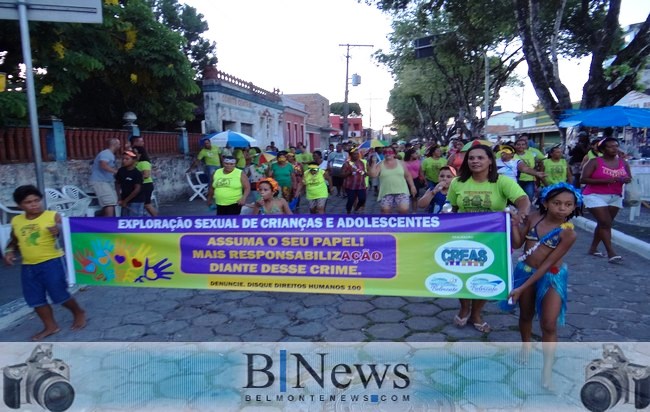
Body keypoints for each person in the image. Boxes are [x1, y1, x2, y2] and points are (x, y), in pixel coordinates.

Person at [446, 144, 530, 334]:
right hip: (463, 237)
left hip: (493, 240)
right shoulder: (457, 182)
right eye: (471, 158)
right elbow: (453, 208)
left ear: (490, 161)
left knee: (484, 277)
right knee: (460, 274)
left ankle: (476, 313)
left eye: (480, 158)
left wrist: (522, 213)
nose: (475, 161)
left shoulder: (502, 182)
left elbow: (523, 199)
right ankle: (464, 307)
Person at [506, 182, 581, 388]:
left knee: (549, 324)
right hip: (525, 272)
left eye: (568, 205)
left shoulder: (568, 233)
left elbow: (547, 264)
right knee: (525, 315)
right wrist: (514, 224)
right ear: (546, 203)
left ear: (575, 207)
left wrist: (520, 288)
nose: (562, 208)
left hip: (551, 276)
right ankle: (526, 346)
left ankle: (547, 369)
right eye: (557, 203)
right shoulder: (533, 218)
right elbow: (518, 243)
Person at [3, 185, 86, 341]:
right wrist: (9, 251)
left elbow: (69, 233)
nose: (34, 204)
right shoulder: (16, 220)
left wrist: (59, 230)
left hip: (52, 262)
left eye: (36, 200)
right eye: (28, 202)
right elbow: (14, 240)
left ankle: (78, 312)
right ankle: (51, 326)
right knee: (35, 299)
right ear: (20, 205)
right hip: (28, 266)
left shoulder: (52, 216)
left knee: (59, 294)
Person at [581, 137, 632, 263]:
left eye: (616, 146)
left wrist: (626, 179)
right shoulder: (594, 162)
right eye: (610, 146)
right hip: (594, 195)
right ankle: (611, 253)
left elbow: (629, 176)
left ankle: (593, 248)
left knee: (604, 223)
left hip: (615, 196)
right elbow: (583, 179)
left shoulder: (623, 162)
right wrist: (604, 181)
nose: (614, 149)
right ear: (603, 149)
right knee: (605, 223)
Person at [367, 147, 417, 214]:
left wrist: (412, 186)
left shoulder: (401, 163)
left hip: (401, 191)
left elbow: (408, 175)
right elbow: (373, 175)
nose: (388, 154)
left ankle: (400, 223)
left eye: (390, 152)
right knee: (386, 211)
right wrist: (373, 162)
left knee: (404, 209)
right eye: (385, 152)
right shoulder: (380, 164)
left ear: (394, 154)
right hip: (386, 192)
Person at [89, 137, 121, 217]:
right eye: (119, 144)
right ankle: (108, 225)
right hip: (100, 181)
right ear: (115, 144)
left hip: (105, 182)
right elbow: (103, 165)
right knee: (109, 203)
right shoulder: (106, 153)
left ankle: (105, 222)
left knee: (112, 202)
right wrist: (116, 172)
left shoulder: (109, 154)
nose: (120, 146)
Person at [115, 150, 145, 217]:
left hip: (136, 201)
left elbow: (137, 189)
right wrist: (119, 197)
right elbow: (117, 184)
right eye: (123, 159)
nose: (124, 161)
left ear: (134, 160)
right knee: (124, 221)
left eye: (127, 159)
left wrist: (125, 201)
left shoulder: (137, 173)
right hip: (124, 199)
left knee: (135, 222)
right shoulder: (121, 171)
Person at [514, 138, 545, 202]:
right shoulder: (512, 155)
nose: (521, 146)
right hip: (516, 180)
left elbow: (535, 165)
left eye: (523, 144)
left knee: (529, 197)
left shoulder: (531, 154)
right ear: (515, 146)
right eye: (518, 144)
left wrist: (537, 178)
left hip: (529, 180)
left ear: (526, 146)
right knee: (516, 198)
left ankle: (526, 211)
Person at [132, 146, 157, 216]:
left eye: (135, 152)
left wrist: (135, 180)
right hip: (139, 185)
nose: (134, 154)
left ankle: (158, 220)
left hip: (146, 185)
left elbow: (146, 175)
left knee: (147, 205)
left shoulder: (144, 163)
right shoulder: (136, 162)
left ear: (140, 153)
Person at [341, 147, 368, 214]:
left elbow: (363, 172)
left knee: (362, 199)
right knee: (351, 200)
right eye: (354, 154)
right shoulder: (346, 164)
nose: (356, 155)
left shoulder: (361, 162)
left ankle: (356, 209)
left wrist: (365, 173)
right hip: (350, 186)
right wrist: (350, 172)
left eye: (357, 154)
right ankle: (348, 211)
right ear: (351, 155)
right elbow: (342, 175)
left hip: (361, 186)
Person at [403, 148, 425, 212]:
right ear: (411, 155)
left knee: (414, 197)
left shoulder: (418, 161)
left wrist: (423, 179)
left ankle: (414, 212)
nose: (417, 154)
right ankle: (405, 211)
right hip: (405, 181)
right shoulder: (403, 162)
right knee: (405, 197)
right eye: (415, 153)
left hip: (416, 180)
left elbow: (421, 172)